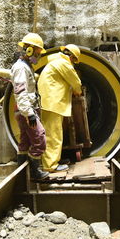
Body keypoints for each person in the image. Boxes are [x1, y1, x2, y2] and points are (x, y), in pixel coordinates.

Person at [10, 33, 49, 180]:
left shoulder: (26, 66)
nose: (38, 57)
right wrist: (29, 114)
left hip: (23, 111)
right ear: (29, 50)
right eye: (38, 53)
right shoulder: (21, 68)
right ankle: (35, 173)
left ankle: (21, 174)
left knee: (25, 141)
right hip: (25, 111)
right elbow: (20, 92)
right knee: (39, 138)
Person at [38, 44, 82, 172]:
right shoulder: (64, 63)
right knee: (54, 135)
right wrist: (77, 91)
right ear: (72, 57)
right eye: (75, 60)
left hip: (49, 102)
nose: (74, 62)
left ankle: (52, 160)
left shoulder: (55, 60)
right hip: (54, 103)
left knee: (52, 133)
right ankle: (50, 166)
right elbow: (76, 82)